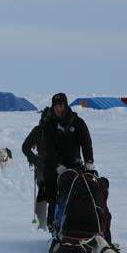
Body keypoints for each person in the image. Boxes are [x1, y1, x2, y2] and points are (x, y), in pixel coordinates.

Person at [41, 92, 94, 229]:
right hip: (54, 167)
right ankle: (53, 223)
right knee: (53, 193)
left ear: (65, 105)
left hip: (73, 165)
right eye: (56, 106)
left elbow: (86, 143)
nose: (58, 109)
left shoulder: (77, 122)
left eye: (61, 106)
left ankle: (79, 221)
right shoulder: (49, 125)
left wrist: (89, 162)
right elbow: (48, 148)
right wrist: (58, 165)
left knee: (79, 191)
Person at [22, 106, 54, 229]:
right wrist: (35, 159)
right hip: (47, 165)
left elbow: (25, 147)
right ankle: (47, 222)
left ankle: (43, 222)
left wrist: (34, 159)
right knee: (52, 193)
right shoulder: (42, 129)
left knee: (43, 193)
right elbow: (25, 147)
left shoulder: (39, 129)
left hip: (44, 164)